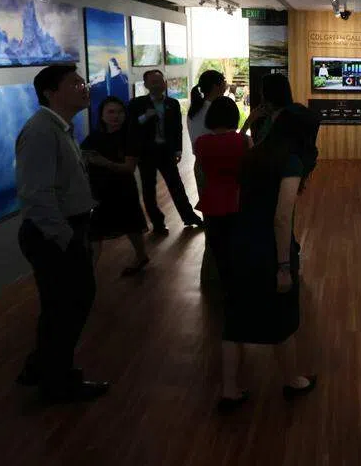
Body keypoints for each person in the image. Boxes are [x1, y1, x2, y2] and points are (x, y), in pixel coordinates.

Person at [215, 78, 319, 414]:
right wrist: (284, 265)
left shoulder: (254, 154)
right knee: (282, 317)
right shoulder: (291, 161)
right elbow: (281, 217)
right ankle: (293, 381)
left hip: (238, 242)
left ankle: (229, 390)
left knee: (235, 319)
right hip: (267, 248)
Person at [14, 64, 109, 403]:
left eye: (83, 81)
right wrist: (67, 239)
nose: (84, 87)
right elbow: (36, 196)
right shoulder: (41, 131)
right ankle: (57, 381)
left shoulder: (59, 128)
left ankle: (43, 368)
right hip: (54, 234)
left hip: (66, 230)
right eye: (75, 83)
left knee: (64, 306)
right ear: (50, 93)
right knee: (68, 307)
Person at [192, 96, 254, 410]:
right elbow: (248, 166)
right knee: (241, 252)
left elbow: (202, 171)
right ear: (234, 116)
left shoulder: (201, 143)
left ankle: (227, 292)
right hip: (238, 203)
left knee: (219, 251)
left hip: (212, 205)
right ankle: (242, 297)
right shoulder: (243, 143)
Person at [80, 96, 150, 276]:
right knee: (94, 233)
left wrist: (104, 162)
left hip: (123, 190)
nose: (116, 116)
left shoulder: (130, 137)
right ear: (102, 115)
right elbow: (81, 157)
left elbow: (129, 168)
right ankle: (88, 275)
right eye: (111, 112)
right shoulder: (94, 137)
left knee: (131, 226)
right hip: (99, 192)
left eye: (120, 112)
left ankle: (141, 256)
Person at [127, 69, 203, 234]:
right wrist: (145, 117)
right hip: (146, 153)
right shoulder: (137, 104)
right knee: (149, 189)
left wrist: (178, 150)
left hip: (166, 151)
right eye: (153, 82)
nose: (158, 85)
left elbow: (177, 128)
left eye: (160, 81)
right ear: (146, 85)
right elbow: (130, 126)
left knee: (176, 186)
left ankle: (189, 217)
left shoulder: (172, 103)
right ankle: (158, 223)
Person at [187, 69, 228, 154]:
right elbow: (228, 139)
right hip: (215, 156)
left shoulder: (193, 109)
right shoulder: (215, 110)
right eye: (224, 83)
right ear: (215, 87)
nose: (225, 87)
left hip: (201, 157)